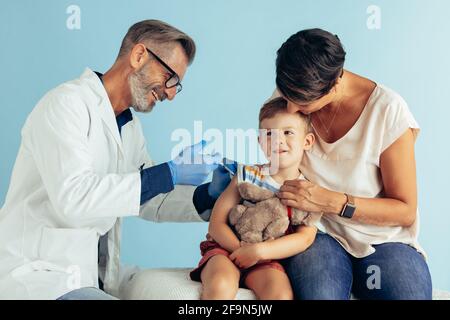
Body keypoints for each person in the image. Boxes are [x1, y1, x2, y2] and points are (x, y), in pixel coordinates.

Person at [0, 19, 228, 300]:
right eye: (170, 78)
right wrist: (169, 173)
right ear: (139, 56)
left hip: (84, 276)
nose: (170, 93)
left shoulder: (129, 128)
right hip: (39, 274)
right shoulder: (66, 104)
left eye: (176, 86)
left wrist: (210, 195)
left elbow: (149, 198)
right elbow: (74, 197)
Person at [271, 28, 432, 299]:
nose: (290, 110)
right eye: (287, 97)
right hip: (315, 232)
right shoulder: (290, 94)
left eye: (303, 103)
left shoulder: (388, 111)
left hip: (383, 240)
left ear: (335, 84)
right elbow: (276, 172)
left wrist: (332, 201)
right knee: (321, 294)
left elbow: (404, 210)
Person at [190, 97, 320, 300]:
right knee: (220, 285)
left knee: (281, 295)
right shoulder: (246, 175)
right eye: (269, 134)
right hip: (227, 248)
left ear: (307, 141)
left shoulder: (307, 190)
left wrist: (259, 252)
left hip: (265, 257)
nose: (278, 140)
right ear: (260, 141)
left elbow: (305, 238)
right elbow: (216, 224)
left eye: (288, 132)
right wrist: (241, 250)